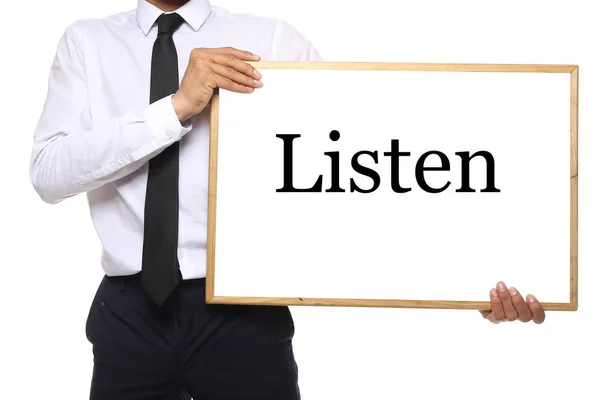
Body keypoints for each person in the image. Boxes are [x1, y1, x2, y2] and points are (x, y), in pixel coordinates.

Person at [29, 0, 546, 399]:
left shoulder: (271, 40)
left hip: (244, 314)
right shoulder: (85, 43)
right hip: (128, 313)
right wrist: (177, 108)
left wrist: (471, 279)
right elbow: (49, 175)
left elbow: (363, 179)